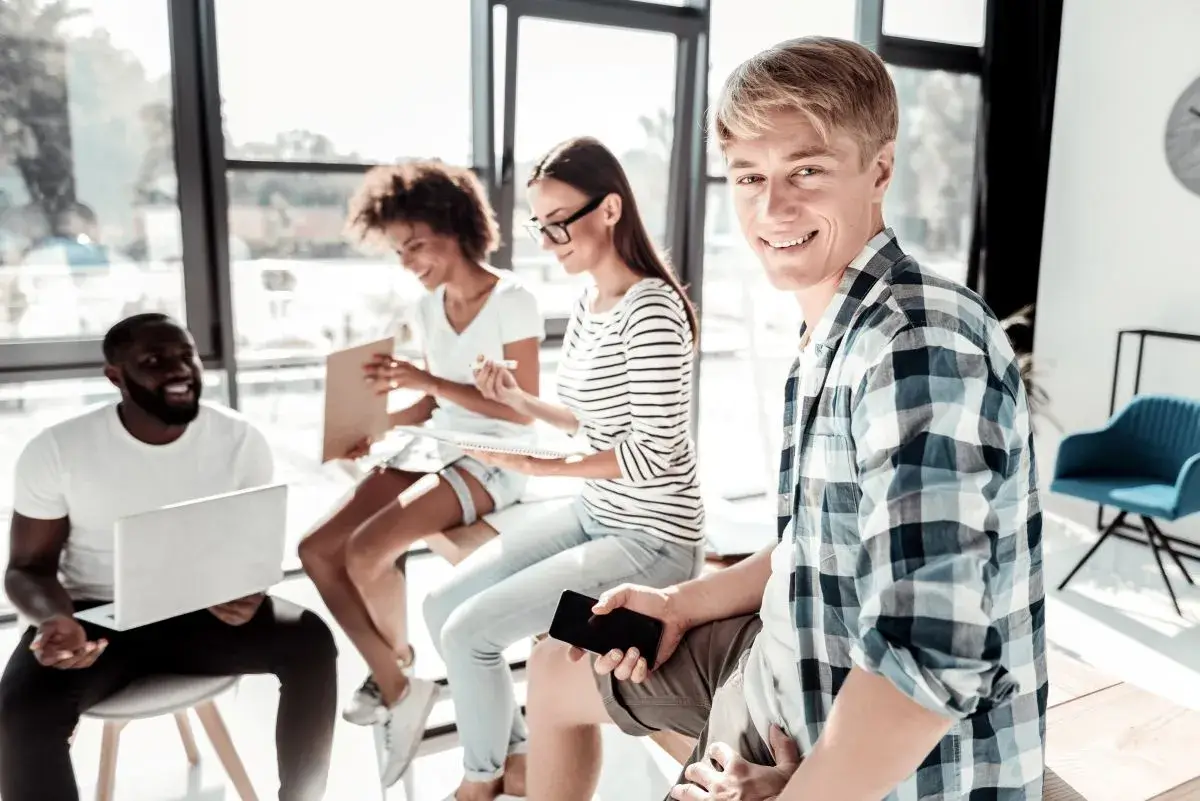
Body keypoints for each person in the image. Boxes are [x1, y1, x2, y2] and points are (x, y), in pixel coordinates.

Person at [523, 37, 1046, 801]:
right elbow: (815, 544)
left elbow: (926, 663)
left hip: (894, 763)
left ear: (880, 169)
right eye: (749, 176)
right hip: (784, 658)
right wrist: (677, 603)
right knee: (556, 662)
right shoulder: (834, 327)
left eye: (806, 170)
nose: (772, 208)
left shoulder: (915, 347)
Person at [417, 136, 707, 801]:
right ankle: (513, 755)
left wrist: (533, 464)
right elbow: (583, 416)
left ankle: (482, 779)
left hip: (654, 538)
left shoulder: (653, 310)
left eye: (558, 222)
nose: (547, 240)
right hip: (595, 513)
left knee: (469, 634)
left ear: (609, 209)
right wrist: (517, 401)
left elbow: (656, 450)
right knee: (439, 607)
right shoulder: (588, 303)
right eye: (537, 225)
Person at [0, 313, 338, 801]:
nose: (179, 370)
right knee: (21, 709)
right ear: (115, 377)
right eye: (155, 361)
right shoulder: (57, 450)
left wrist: (249, 590)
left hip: (203, 610)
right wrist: (54, 619)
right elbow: (27, 569)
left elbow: (248, 543)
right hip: (95, 620)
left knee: (310, 641)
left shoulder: (239, 440)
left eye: (186, 355)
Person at [296, 160, 544, 785]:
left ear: (456, 227)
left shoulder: (513, 299)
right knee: (317, 551)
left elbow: (519, 407)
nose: (409, 261)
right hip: (437, 445)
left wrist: (426, 381)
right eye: (399, 250)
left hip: (497, 458)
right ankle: (397, 679)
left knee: (365, 553)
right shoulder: (428, 307)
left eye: (417, 245)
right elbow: (433, 403)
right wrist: (375, 428)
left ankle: (397, 675)